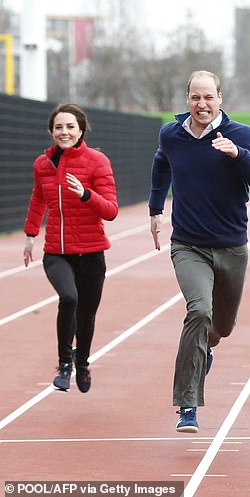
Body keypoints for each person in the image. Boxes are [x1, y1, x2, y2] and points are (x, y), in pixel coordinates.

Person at [149, 71, 250, 433]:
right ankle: (188, 405)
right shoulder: (171, 135)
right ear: (186, 98)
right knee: (199, 310)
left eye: (208, 97)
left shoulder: (242, 136)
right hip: (188, 244)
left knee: (220, 327)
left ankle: (207, 349)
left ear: (220, 98)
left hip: (232, 248)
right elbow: (161, 165)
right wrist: (156, 209)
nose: (201, 104)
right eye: (195, 98)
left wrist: (239, 156)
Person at [23, 103, 118, 394]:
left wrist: (86, 194)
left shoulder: (97, 161)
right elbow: (38, 198)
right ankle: (65, 363)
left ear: (81, 130)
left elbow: (111, 210)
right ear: (51, 131)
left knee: (87, 314)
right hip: (57, 252)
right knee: (69, 297)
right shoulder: (43, 164)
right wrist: (30, 235)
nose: (64, 132)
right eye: (58, 127)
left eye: (70, 127)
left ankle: (83, 361)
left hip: (91, 252)